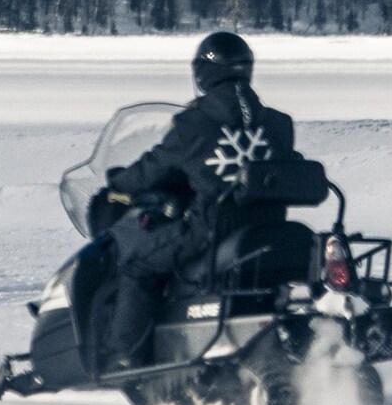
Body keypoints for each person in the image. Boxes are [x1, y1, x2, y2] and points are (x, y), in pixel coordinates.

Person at [100, 31, 298, 370]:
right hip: (268, 230)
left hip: (210, 231)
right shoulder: (278, 123)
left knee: (137, 265)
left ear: (204, 73)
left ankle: (126, 356)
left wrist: (119, 184)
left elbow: (155, 166)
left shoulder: (194, 123)